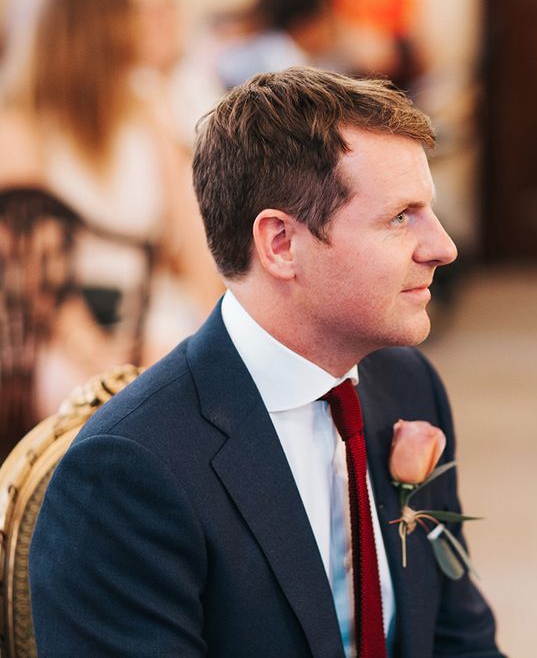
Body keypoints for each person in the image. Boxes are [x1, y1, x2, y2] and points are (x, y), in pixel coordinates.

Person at [29, 67, 503, 656]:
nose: (444, 247)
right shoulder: (129, 474)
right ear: (280, 243)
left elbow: (458, 636)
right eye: (400, 217)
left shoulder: (406, 383)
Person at [0, 0, 220, 419]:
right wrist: (104, 359)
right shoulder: (23, 125)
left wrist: (216, 323)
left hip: (143, 305)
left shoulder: (148, 109)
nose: (150, 26)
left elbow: (191, 231)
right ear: (105, 32)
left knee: (197, 378)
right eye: (137, 16)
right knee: (85, 402)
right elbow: (36, 269)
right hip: (51, 329)